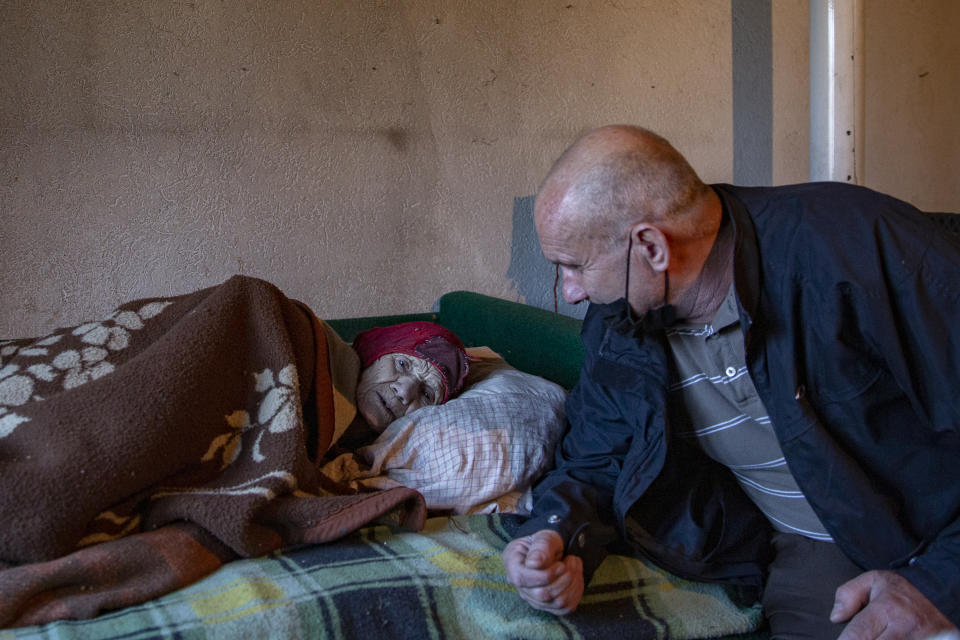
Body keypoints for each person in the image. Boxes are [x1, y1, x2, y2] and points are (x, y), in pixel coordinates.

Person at [502, 125, 960, 639]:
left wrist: (939, 585)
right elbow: (596, 455)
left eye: (573, 266)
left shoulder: (859, 247)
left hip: (940, 534)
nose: (572, 291)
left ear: (651, 246)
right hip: (816, 548)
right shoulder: (623, 319)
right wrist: (557, 532)